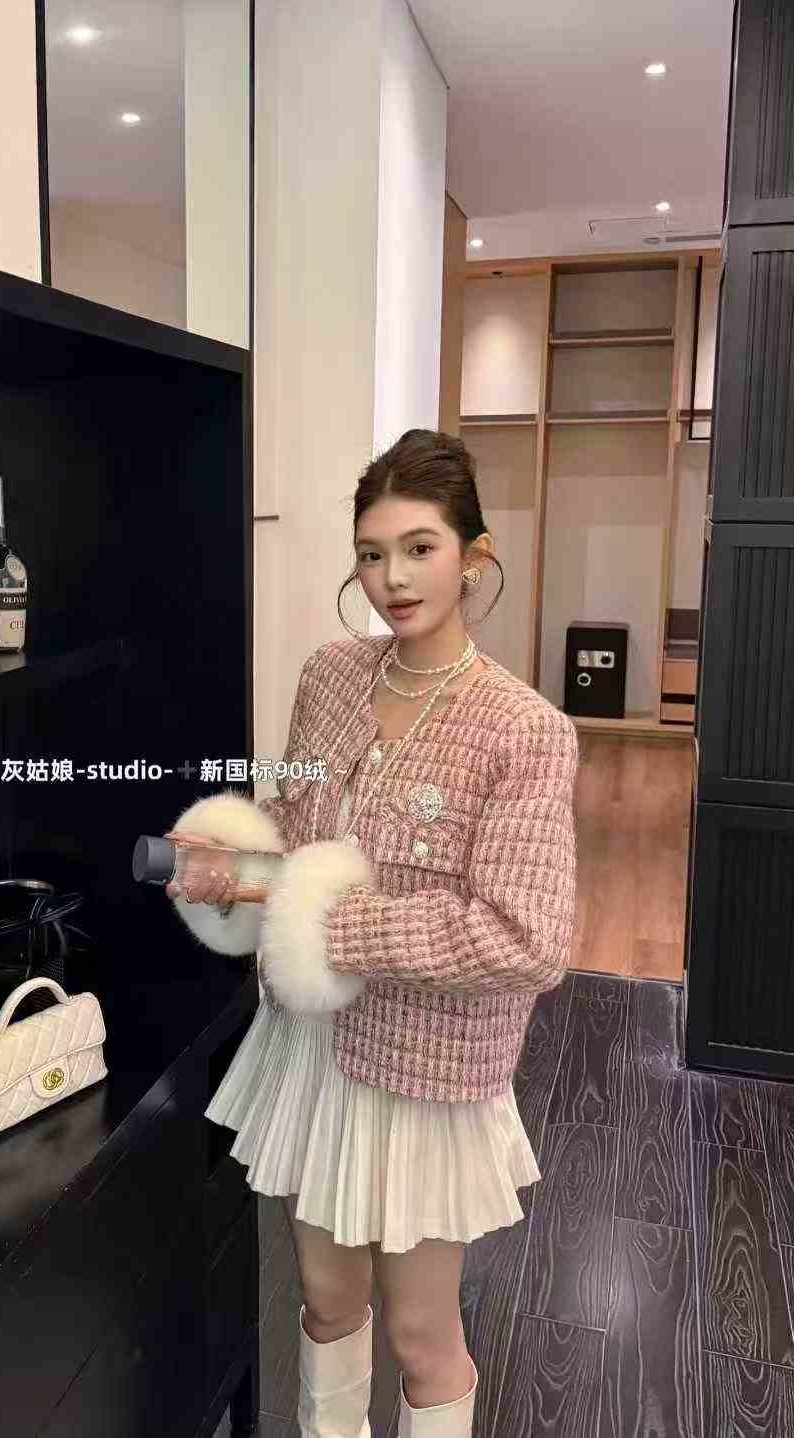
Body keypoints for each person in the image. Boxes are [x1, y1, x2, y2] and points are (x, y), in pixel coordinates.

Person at [165, 429, 579, 1438]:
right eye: (371, 552)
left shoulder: (522, 728)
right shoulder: (330, 677)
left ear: (473, 555)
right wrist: (237, 863)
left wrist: (329, 922)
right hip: (313, 1048)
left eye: (419, 547)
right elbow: (299, 830)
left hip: (427, 1068)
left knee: (422, 1337)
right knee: (324, 1302)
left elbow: (526, 936)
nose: (393, 577)